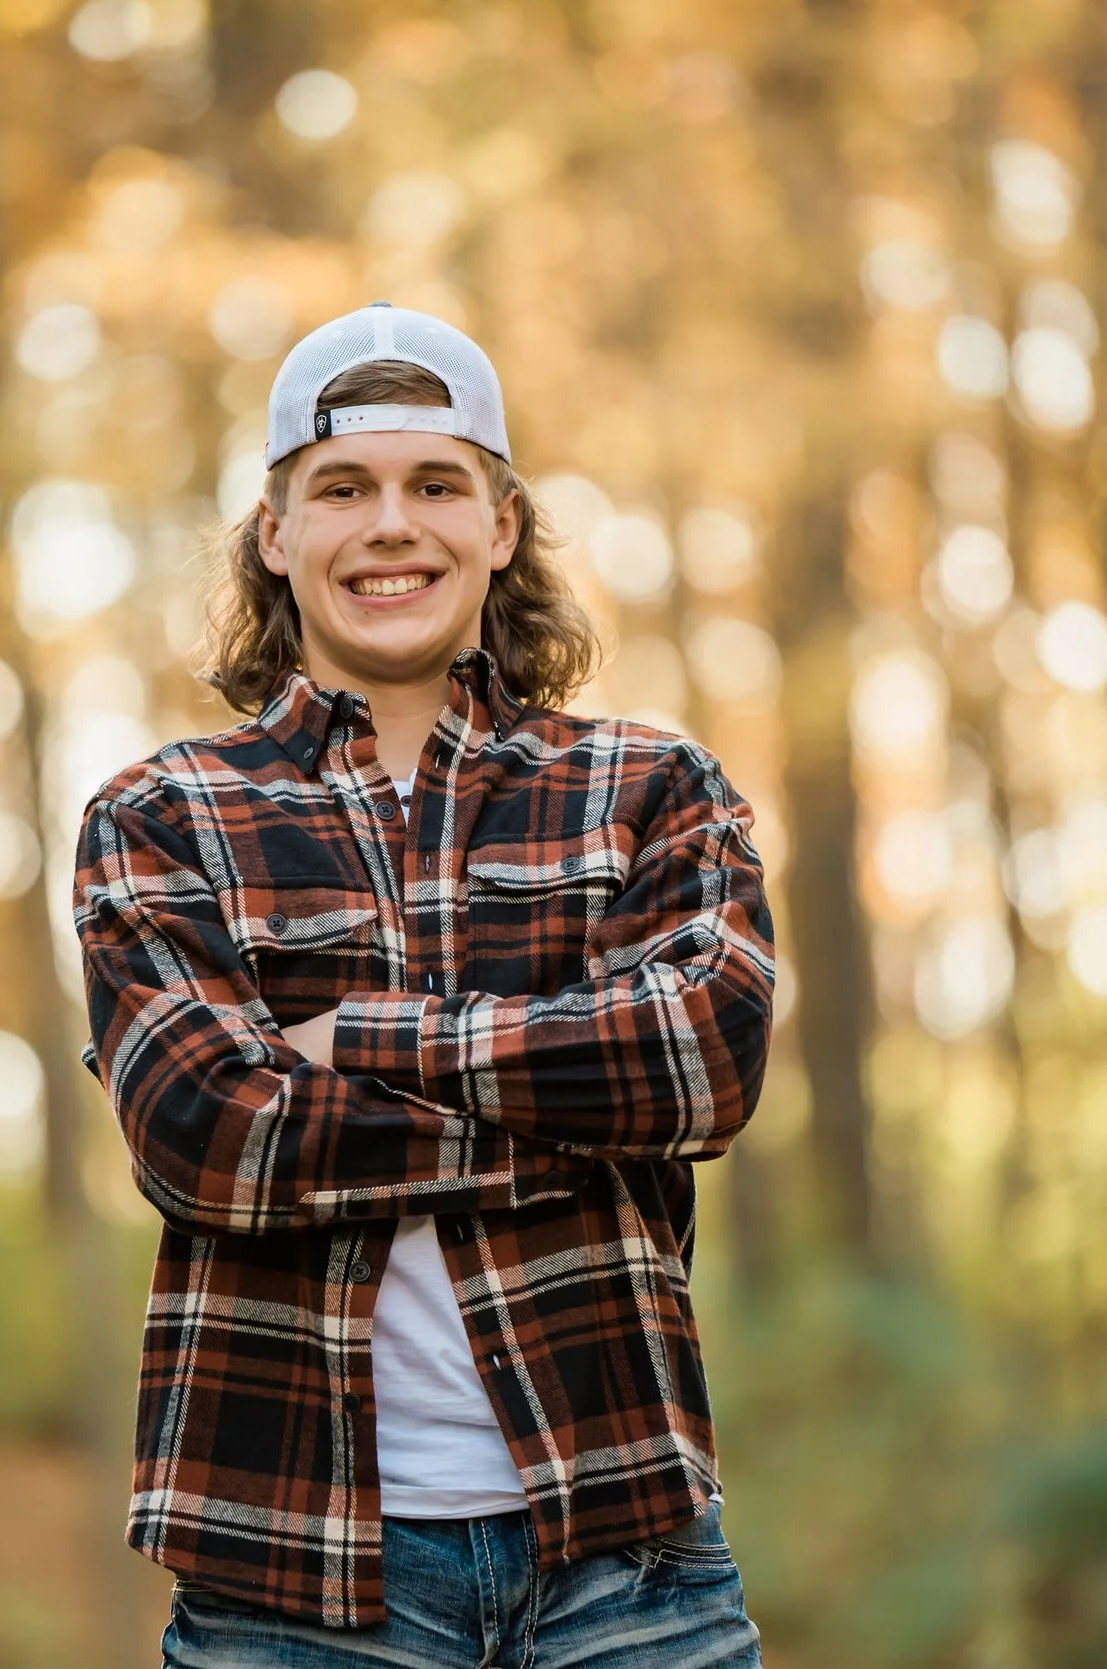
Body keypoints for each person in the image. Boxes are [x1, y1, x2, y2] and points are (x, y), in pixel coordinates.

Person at [74, 302, 775, 1666]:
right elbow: (210, 1141)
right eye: (344, 488)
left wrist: (360, 1043)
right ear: (279, 536)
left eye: (434, 484)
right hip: (290, 1583)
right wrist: (578, 1099)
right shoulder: (160, 818)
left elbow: (704, 1063)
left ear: (500, 525)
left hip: (629, 1560)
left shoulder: (647, 791)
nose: (391, 525)